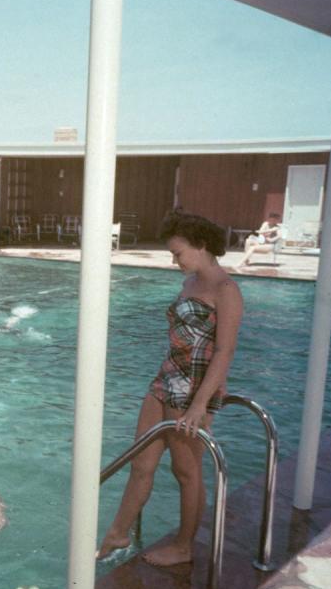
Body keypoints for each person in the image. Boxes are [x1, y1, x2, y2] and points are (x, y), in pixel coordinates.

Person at [98, 211, 243, 567]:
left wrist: (202, 406)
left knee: (186, 471)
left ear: (201, 246)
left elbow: (224, 352)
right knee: (141, 463)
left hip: (192, 389)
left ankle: (183, 546)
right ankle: (118, 533)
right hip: (165, 379)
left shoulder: (227, 290)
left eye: (178, 253)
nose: (173, 260)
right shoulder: (189, 284)